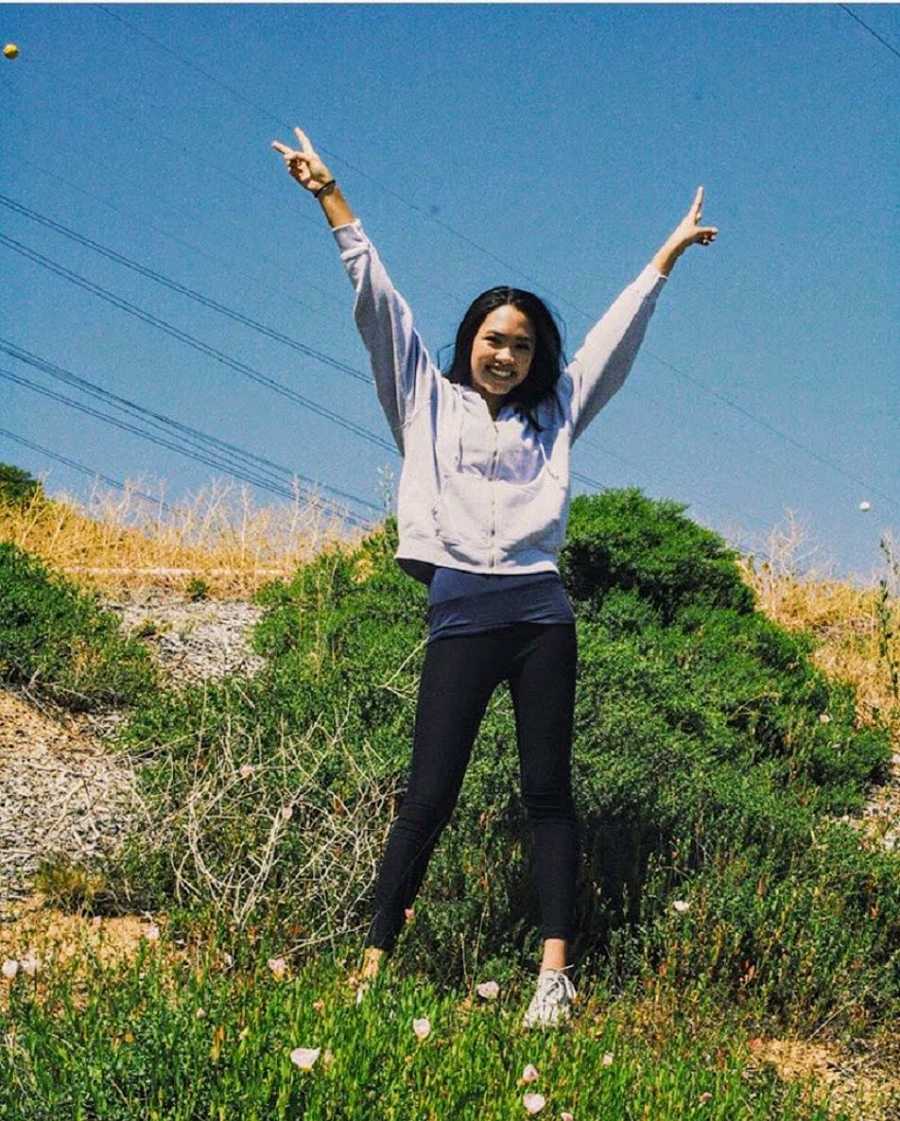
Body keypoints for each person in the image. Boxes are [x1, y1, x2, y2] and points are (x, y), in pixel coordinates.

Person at [272, 126, 718, 1029]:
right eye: (491, 337)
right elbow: (378, 304)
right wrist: (332, 197)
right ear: (467, 339)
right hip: (462, 612)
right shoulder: (423, 401)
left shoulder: (556, 414)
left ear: (534, 354)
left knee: (548, 791)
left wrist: (663, 259)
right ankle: (371, 963)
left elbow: (610, 343)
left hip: (541, 613)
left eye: (519, 343)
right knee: (427, 793)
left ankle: (553, 975)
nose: (504, 353)